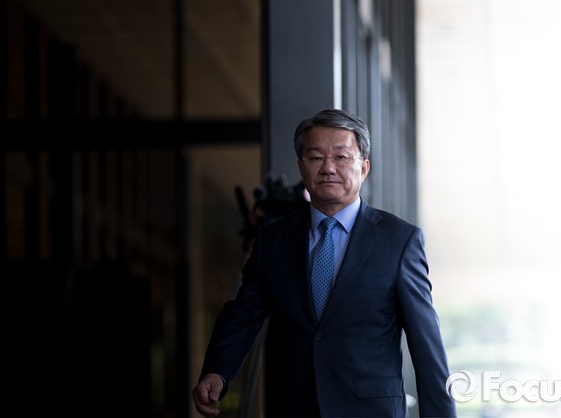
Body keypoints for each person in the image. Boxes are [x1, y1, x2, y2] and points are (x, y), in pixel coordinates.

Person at [192, 109, 457, 417]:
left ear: (364, 167)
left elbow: (426, 342)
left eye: (341, 157)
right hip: (292, 407)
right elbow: (243, 314)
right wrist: (217, 370)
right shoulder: (273, 241)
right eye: (316, 157)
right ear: (301, 167)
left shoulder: (399, 241)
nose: (328, 168)